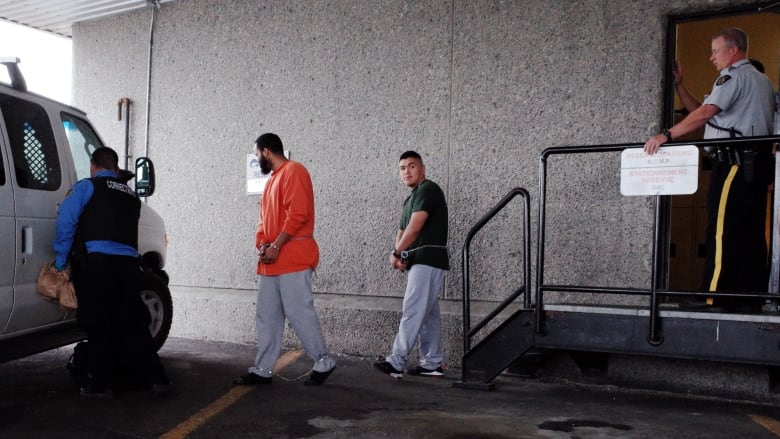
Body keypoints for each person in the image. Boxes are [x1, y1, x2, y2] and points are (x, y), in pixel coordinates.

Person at [644, 28, 775, 309]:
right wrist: (680, 85)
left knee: (721, 231)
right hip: (754, 165)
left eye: (716, 51)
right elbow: (705, 113)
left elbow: (706, 113)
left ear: (733, 51)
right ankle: (749, 298)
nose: (711, 57)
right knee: (750, 234)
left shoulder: (733, 76)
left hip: (733, 165)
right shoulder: (761, 80)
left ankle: (712, 296)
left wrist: (665, 136)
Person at [54, 146, 171, 397]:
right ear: (116, 168)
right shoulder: (130, 195)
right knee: (133, 324)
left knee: (99, 324)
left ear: (93, 166)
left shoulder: (86, 187)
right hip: (128, 267)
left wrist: (61, 260)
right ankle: (155, 379)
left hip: (96, 266)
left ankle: (100, 383)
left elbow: (66, 220)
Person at [234, 133, 336, 386]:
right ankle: (262, 370)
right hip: (272, 261)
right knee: (267, 316)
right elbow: (262, 222)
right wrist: (262, 245)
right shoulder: (271, 182)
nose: (257, 159)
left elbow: (298, 214)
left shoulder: (295, 171)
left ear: (266, 151)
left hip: (292, 258)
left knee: (299, 312)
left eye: (257, 154)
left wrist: (276, 245)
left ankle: (324, 361)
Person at [373, 151, 449, 379]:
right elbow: (403, 231)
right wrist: (399, 255)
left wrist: (395, 253)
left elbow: (415, 227)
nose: (407, 171)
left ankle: (396, 361)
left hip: (429, 260)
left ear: (423, 168)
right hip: (420, 260)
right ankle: (432, 362)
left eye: (412, 166)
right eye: (402, 168)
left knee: (413, 309)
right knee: (427, 314)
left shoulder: (428, 189)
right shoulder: (411, 198)